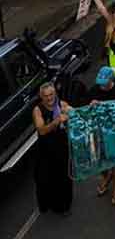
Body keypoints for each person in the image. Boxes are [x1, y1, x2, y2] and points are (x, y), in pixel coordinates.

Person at [87, 67, 115, 204]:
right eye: (100, 83)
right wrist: (90, 105)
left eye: (105, 83)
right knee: (100, 159)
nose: (102, 86)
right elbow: (84, 110)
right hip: (99, 132)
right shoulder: (93, 90)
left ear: (112, 80)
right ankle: (106, 176)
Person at [32, 82, 72, 215]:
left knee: (63, 177)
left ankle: (63, 206)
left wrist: (92, 106)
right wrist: (56, 121)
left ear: (55, 94)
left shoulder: (61, 104)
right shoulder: (37, 110)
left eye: (51, 95)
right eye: (46, 96)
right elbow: (42, 130)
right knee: (44, 178)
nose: (49, 98)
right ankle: (46, 204)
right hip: (45, 149)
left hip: (61, 146)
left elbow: (77, 112)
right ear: (41, 97)